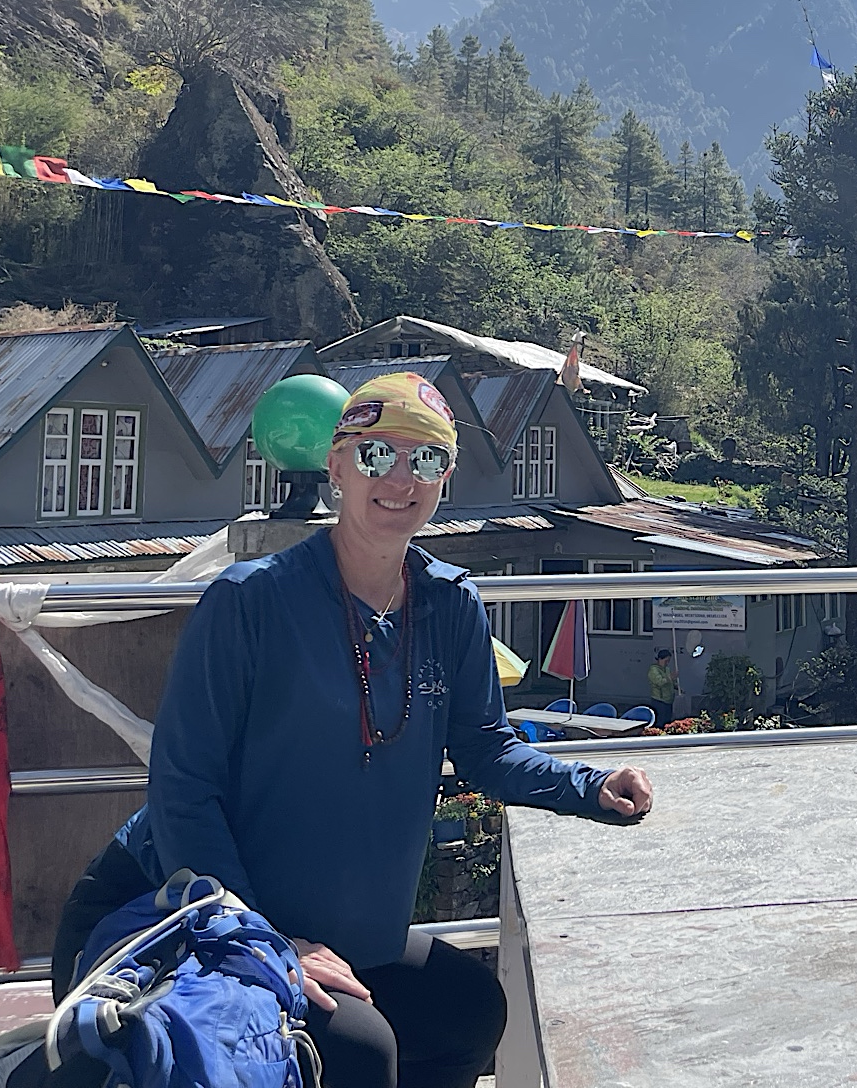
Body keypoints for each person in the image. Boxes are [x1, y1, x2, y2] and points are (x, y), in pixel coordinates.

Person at [53, 372, 655, 1088]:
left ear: (447, 479)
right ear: (336, 465)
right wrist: (266, 941)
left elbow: (487, 749)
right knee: (362, 1051)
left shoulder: (450, 603)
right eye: (376, 456)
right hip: (181, 920)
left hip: (337, 938)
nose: (401, 478)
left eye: (426, 459)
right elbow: (185, 791)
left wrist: (592, 786)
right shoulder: (251, 602)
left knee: (465, 1014)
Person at [647, 647, 678, 724]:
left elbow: (669, 682)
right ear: (660, 659)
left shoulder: (667, 669)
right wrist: (670, 677)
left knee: (667, 721)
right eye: (666, 661)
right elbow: (659, 682)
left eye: (668, 661)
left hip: (669, 700)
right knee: (660, 721)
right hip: (659, 700)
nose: (667, 663)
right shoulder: (653, 670)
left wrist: (676, 686)